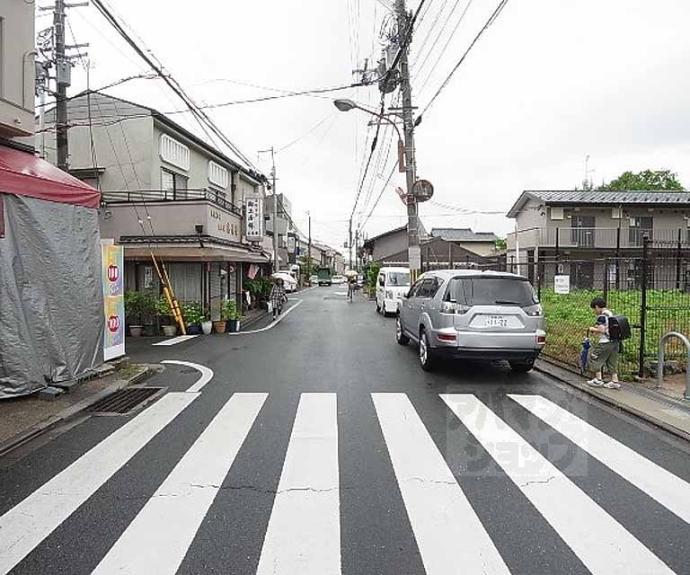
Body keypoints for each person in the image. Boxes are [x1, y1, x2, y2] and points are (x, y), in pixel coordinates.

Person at [586, 296, 621, 389]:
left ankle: (598, 380)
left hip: (605, 342)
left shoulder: (602, 316)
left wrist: (591, 329)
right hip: (614, 341)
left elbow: (601, 330)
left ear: (597, 307)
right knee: (611, 361)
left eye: (594, 309)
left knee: (594, 357)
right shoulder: (610, 313)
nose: (594, 311)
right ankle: (615, 381)